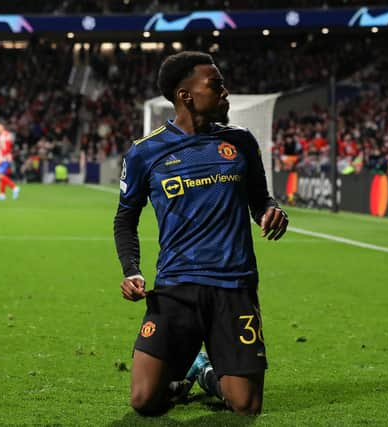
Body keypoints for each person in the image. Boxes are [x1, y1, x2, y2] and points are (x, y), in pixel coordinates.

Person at [113, 51, 288, 416]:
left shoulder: (240, 142)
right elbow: (125, 218)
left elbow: (261, 199)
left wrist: (271, 212)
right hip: (178, 286)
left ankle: (204, 372)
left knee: (246, 405)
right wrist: (132, 269)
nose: (225, 92)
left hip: (234, 285)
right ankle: (188, 368)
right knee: (144, 401)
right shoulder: (146, 153)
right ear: (185, 95)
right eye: (216, 85)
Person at [0, 121, 20, 201]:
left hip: (5, 159)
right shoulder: (0, 136)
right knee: (2, 176)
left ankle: (14, 187)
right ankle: (2, 195)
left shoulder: (6, 135)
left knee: (0, 175)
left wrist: (0, 159)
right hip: (3, 158)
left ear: (2, 126)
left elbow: (7, 149)